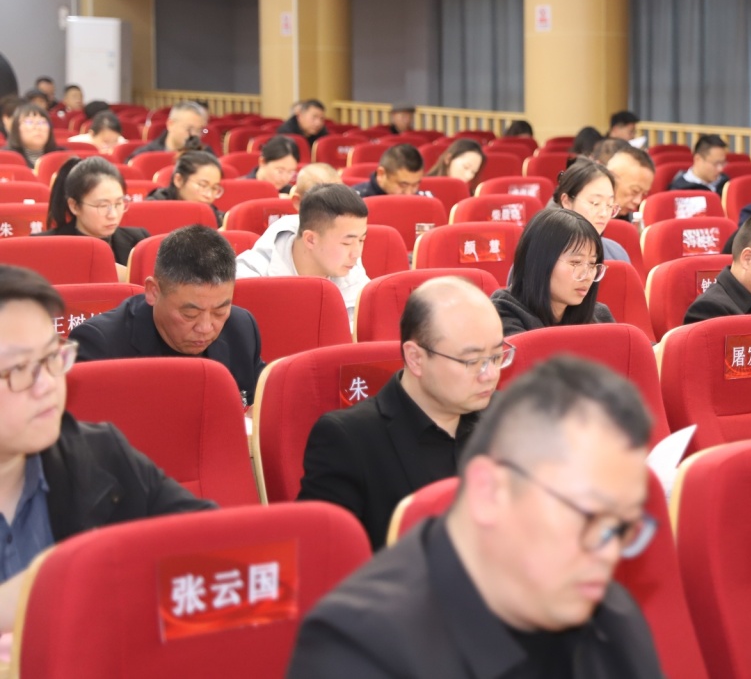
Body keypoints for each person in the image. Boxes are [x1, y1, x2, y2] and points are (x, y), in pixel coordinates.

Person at [286, 355, 663, 679]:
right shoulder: (359, 650)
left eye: (621, 528)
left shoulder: (612, 618)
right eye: (585, 517)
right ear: (488, 494)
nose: (607, 554)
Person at [0, 266, 215, 631]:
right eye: (20, 368)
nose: (48, 384)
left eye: (52, 357)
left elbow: (220, 549)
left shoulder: (99, 453)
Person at [298, 277, 508, 550]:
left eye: (497, 356)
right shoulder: (349, 440)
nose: (490, 375)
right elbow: (324, 559)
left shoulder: (507, 418)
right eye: (472, 361)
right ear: (415, 358)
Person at [71, 226, 266, 405]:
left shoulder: (241, 329)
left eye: (219, 311)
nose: (206, 327)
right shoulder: (100, 346)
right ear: (153, 292)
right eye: (190, 314)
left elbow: (258, 407)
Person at [235, 184, 370, 326]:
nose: (357, 253)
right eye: (347, 243)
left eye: (361, 240)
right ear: (310, 240)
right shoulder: (247, 281)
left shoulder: (353, 272)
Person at [490, 208, 615, 336]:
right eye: (576, 262)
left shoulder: (599, 316)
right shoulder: (502, 315)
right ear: (539, 261)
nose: (587, 276)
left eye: (592, 264)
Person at [39, 157, 149, 274]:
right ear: (74, 206)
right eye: (102, 206)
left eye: (118, 203)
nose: (113, 215)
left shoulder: (139, 240)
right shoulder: (44, 246)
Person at [554, 158, 629, 263]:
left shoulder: (617, 254)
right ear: (566, 201)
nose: (604, 214)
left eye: (609, 205)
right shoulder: (545, 250)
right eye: (595, 203)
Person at [145, 150, 226, 226]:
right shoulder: (152, 210)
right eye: (203, 185)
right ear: (179, 180)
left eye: (214, 188)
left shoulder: (217, 218)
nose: (209, 195)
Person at [129, 100, 208, 158]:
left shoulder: (205, 154)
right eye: (189, 129)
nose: (195, 135)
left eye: (199, 130)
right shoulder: (144, 156)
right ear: (170, 124)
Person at [352, 143, 424, 197]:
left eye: (415, 185)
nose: (409, 194)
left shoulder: (424, 200)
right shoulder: (355, 201)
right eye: (403, 185)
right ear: (381, 174)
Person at [606, 145, 655, 220]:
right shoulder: (587, 219)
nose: (638, 201)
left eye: (643, 194)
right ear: (610, 180)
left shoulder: (628, 220)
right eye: (634, 191)